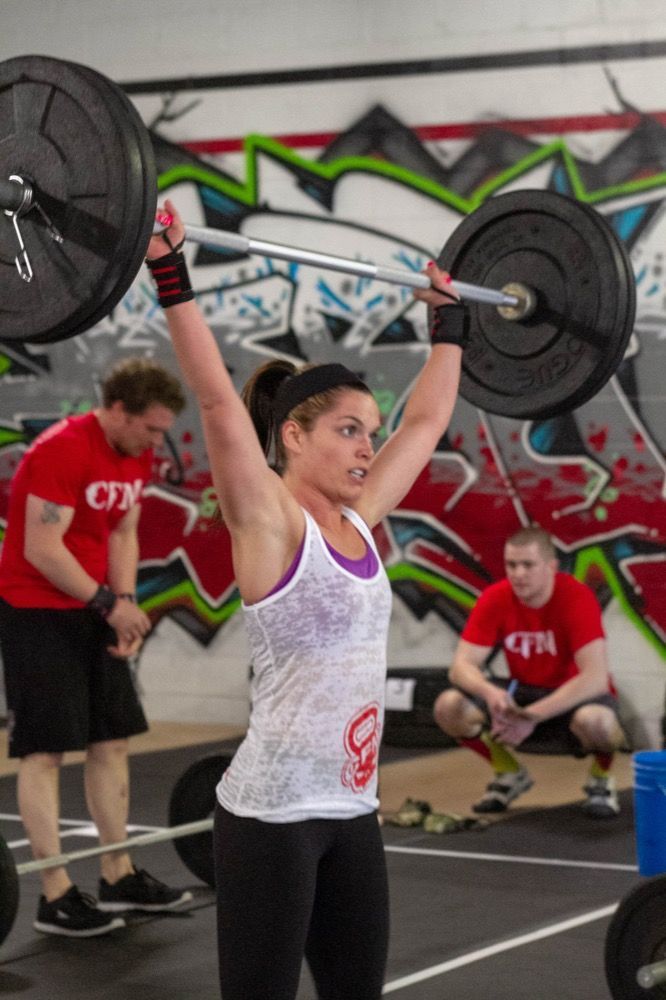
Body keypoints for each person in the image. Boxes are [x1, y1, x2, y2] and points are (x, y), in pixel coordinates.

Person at [145, 199, 466, 1000]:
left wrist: (449, 326)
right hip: (271, 821)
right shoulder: (270, 522)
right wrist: (168, 269)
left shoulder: (359, 520)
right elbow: (219, 403)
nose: (368, 446)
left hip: (352, 808)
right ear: (294, 434)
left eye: (368, 432)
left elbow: (425, 424)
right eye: (350, 430)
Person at [0, 357, 192, 937]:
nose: (157, 442)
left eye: (162, 430)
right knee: (47, 752)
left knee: (111, 741)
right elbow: (41, 547)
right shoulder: (62, 450)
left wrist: (122, 602)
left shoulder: (134, 452)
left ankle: (117, 874)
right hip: (36, 611)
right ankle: (55, 894)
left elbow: (124, 530)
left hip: (91, 607)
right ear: (115, 410)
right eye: (151, 428)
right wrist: (110, 604)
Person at [433, 526, 626, 819]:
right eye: (512, 565)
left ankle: (601, 778)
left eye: (528, 565)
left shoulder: (577, 597)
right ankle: (508, 773)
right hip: (524, 690)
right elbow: (461, 667)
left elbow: (595, 678)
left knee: (598, 722)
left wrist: (533, 715)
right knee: (449, 706)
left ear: (550, 567)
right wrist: (492, 694)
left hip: (571, 697)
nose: (518, 574)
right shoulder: (496, 597)